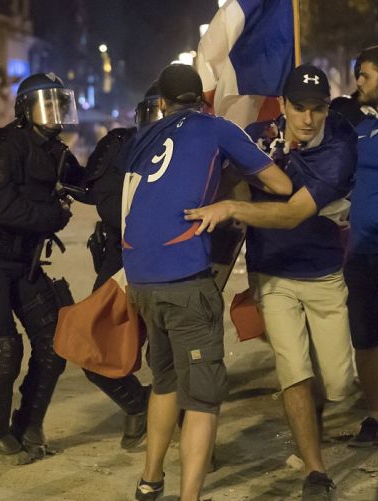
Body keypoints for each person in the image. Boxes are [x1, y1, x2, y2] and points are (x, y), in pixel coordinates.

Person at [185, 64, 357, 500]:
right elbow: (217, 171)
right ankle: (315, 472)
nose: (308, 119)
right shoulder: (258, 135)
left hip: (323, 273)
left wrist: (233, 208)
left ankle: (315, 416)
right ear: (282, 105)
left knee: (337, 383)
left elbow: (293, 213)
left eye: (317, 110)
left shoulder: (339, 143)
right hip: (273, 273)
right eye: (299, 108)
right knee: (292, 371)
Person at [123, 64, 292, 501]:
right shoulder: (215, 126)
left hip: (141, 277)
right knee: (202, 399)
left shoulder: (145, 136)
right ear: (203, 99)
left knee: (165, 383)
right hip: (184, 278)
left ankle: (150, 481)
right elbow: (280, 182)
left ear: (161, 103)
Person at [0, 72, 79, 465]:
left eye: (60, 104)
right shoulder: (0, 143)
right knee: (5, 345)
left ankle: (28, 425)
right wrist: (53, 216)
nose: (55, 113)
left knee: (53, 342)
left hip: (25, 261)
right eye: (47, 104)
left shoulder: (56, 150)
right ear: (26, 109)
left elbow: (90, 184)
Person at [75, 83, 162, 450]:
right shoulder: (121, 146)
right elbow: (109, 204)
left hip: (172, 264)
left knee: (169, 355)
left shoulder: (198, 145)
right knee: (95, 346)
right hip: (120, 263)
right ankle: (139, 405)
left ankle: (172, 420)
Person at [343, 44, 378, 448]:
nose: (358, 82)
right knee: (366, 337)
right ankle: (377, 417)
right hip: (361, 252)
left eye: (365, 75)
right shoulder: (363, 124)